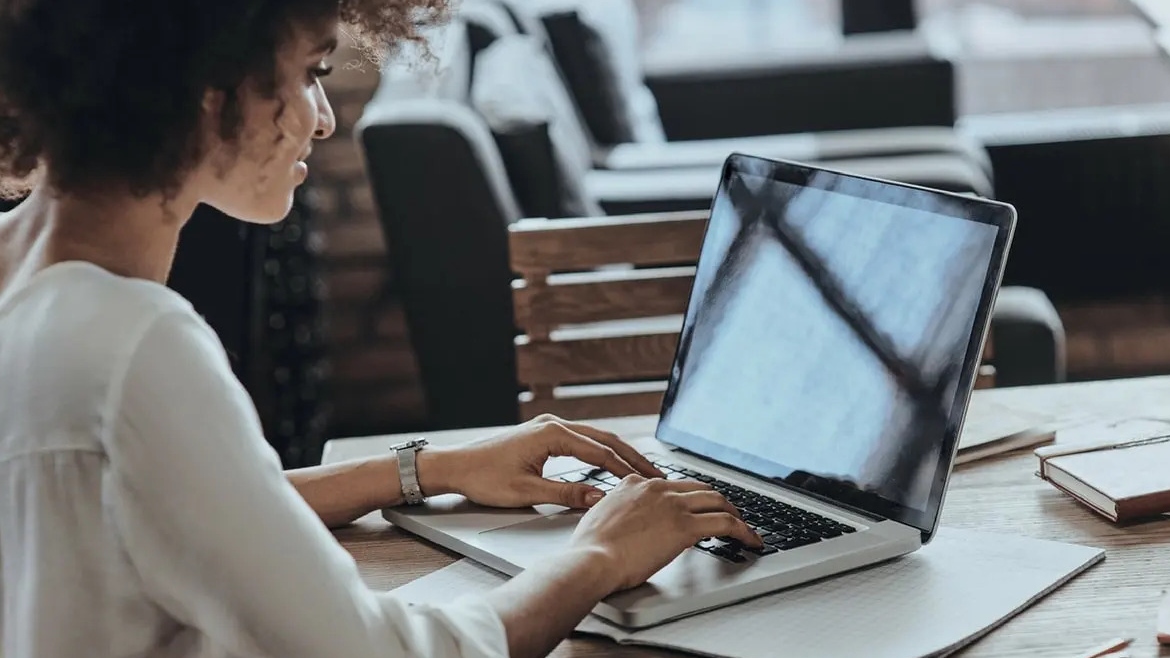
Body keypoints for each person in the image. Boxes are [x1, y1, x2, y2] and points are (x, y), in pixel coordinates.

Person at [0, 1, 762, 657]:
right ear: (208, 88)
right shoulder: (137, 345)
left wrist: (428, 467)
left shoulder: (31, 286)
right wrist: (601, 553)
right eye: (310, 75)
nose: (324, 121)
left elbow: (194, 502)